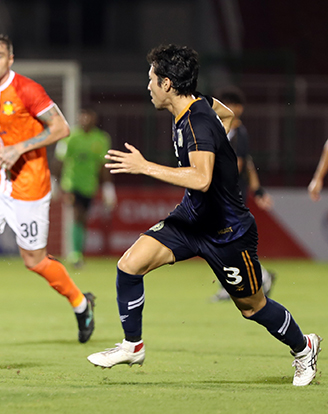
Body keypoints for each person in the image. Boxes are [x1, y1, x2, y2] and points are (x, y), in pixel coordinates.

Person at [86, 44, 321, 386]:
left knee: (252, 307)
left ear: (167, 84)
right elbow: (227, 116)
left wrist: (144, 166)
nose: (147, 86)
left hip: (227, 232)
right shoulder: (201, 105)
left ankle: (304, 348)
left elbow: (201, 177)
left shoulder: (195, 123)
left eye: (151, 79)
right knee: (129, 265)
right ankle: (132, 345)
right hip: (191, 220)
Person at [0, 31, 95, 347]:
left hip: (28, 184)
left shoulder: (28, 89)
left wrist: (20, 148)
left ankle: (81, 302)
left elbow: (61, 128)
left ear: (10, 59)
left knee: (34, 261)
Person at [210, 86, 276, 301]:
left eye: (232, 105)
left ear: (238, 108)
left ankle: (261, 276)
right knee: (224, 241)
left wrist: (256, 190)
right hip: (222, 193)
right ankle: (236, 283)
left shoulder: (240, 132)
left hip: (229, 195)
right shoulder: (221, 129)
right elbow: (249, 164)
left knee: (225, 241)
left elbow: (239, 165)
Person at [54, 108, 116, 268]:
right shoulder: (69, 137)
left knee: (82, 219)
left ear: (94, 119)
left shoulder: (101, 139)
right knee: (76, 213)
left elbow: (103, 166)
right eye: (83, 117)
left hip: (89, 185)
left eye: (89, 117)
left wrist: (108, 187)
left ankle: (78, 253)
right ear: (79, 118)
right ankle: (74, 254)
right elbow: (59, 160)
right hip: (71, 183)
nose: (86, 120)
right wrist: (54, 182)